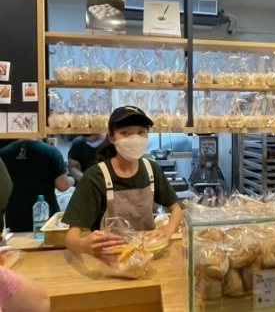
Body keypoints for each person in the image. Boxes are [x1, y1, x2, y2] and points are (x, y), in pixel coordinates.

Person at [63, 106, 182, 264]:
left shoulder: (151, 170)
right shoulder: (96, 177)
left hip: (148, 258)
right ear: (112, 137)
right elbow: (70, 239)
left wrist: (166, 232)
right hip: (110, 261)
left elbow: (176, 209)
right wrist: (84, 245)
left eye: (141, 133)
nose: (134, 139)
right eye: (125, 133)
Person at [0, 140, 73, 232]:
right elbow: (63, 185)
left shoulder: (3, 153)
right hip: (44, 217)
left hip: (13, 217)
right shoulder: (51, 152)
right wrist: (71, 180)